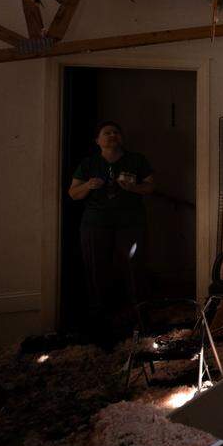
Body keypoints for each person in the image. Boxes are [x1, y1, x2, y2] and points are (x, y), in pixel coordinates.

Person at [68, 120, 154, 344]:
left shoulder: (136, 160)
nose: (112, 136)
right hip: (95, 225)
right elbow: (73, 193)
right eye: (107, 133)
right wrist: (87, 186)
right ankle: (101, 324)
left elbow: (151, 186)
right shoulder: (88, 164)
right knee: (96, 269)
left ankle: (139, 321)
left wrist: (133, 187)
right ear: (98, 140)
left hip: (130, 224)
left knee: (134, 268)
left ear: (122, 138)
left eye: (116, 132)